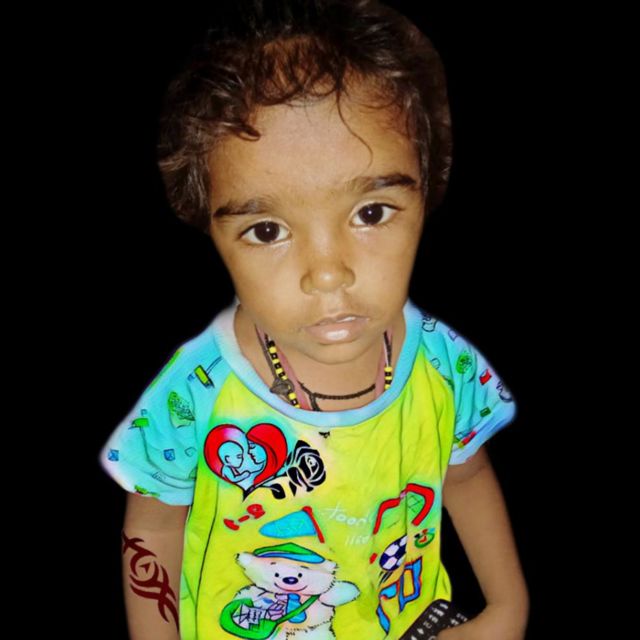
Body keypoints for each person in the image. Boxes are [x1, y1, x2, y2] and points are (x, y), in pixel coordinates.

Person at [97, 1, 530, 638]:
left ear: (426, 190)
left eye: (371, 213)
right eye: (267, 230)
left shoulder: (446, 367)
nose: (327, 274)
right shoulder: (195, 397)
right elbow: (153, 529)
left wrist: (507, 608)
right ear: (209, 226)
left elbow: (466, 474)